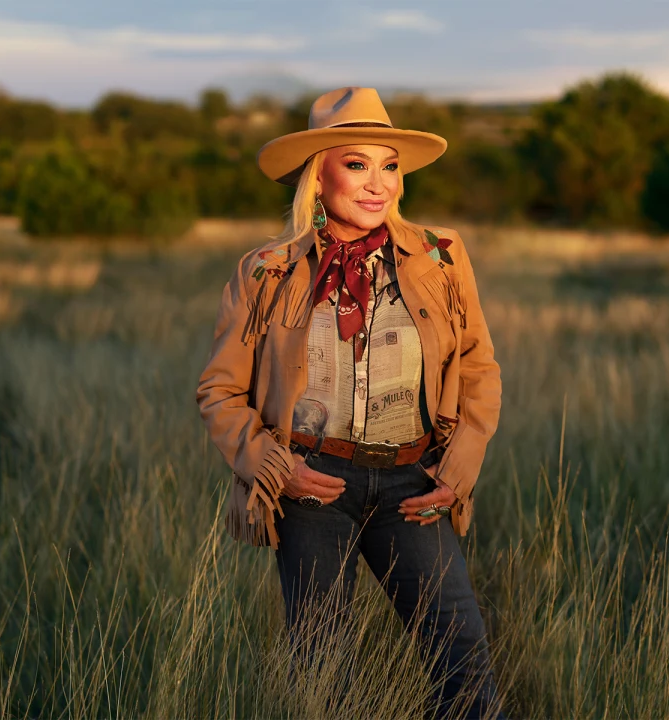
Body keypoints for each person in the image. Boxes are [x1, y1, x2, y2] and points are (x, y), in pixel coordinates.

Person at [196, 87, 504, 719]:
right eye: (357, 164)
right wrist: (274, 469)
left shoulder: (440, 255)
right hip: (312, 485)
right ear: (319, 175)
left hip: (414, 484)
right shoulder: (267, 270)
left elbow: (477, 366)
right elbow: (220, 391)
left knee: (463, 660)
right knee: (323, 674)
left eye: (389, 166)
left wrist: (458, 468)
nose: (378, 184)